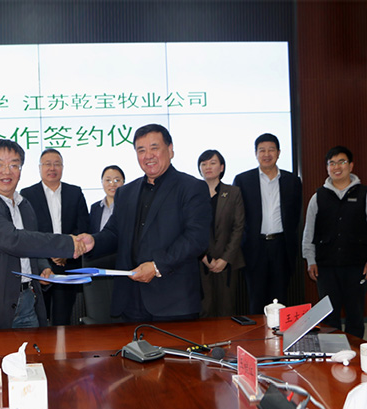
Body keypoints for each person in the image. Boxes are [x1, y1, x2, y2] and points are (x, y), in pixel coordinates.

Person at [0, 139, 86, 331]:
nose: (7, 171)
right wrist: (68, 243)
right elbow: (14, 241)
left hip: (26, 301)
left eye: (14, 165)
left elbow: (29, 244)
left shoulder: (23, 204)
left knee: (33, 351)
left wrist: (43, 267)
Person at [78, 124, 211, 322]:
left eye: (154, 148)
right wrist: (94, 241)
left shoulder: (192, 187)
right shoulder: (126, 192)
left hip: (173, 302)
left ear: (170, 150)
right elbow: (114, 232)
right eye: (141, 150)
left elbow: (196, 239)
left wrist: (157, 266)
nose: (148, 155)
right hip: (130, 300)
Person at [233, 133, 302, 314]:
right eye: (262, 150)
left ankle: (278, 333)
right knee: (256, 299)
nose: (266, 154)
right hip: (254, 247)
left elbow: (295, 215)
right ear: (255, 153)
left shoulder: (292, 181)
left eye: (271, 150)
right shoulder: (243, 180)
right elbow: (237, 217)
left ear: (278, 153)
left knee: (280, 299)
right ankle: (258, 333)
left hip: (281, 246)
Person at [302, 146, 367, 339]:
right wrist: (310, 260)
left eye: (341, 162)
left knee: (355, 315)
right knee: (329, 317)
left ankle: (355, 353)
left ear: (351, 165)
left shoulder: (364, 195)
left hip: (356, 266)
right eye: (332, 163)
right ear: (327, 167)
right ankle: (331, 353)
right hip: (326, 267)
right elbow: (308, 232)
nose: (336, 167)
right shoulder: (318, 197)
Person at [20, 149, 90, 325]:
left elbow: (83, 227)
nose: (52, 168)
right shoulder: (27, 194)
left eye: (56, 164)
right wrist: (49, 254)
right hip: (40, 267)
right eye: (47, 164)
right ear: (40, 168)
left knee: (62, 321)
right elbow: (29, 232)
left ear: (62, 167)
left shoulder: (75, 192)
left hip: (68, 266)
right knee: (39, 320)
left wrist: (66, 252)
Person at [197, 150, 245, 317]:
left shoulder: (233, 192)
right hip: (201, 262)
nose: (208, 167)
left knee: (226, 310)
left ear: (222, 167)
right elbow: (191, 229)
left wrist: (225, 259)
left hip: (228, 262)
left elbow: (238, 227)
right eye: (203, 164)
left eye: (213, 163)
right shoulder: (194, 194)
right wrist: (204, 257)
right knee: (204, 310)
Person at [82, 166, 125, 324]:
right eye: (108, 180)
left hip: (121, 264)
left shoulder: (128, 206)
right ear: (102, 183)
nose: (112, 184)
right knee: (101, 311)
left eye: (117, 180)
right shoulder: (95, 208)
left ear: (124, 183)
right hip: (99, 264)